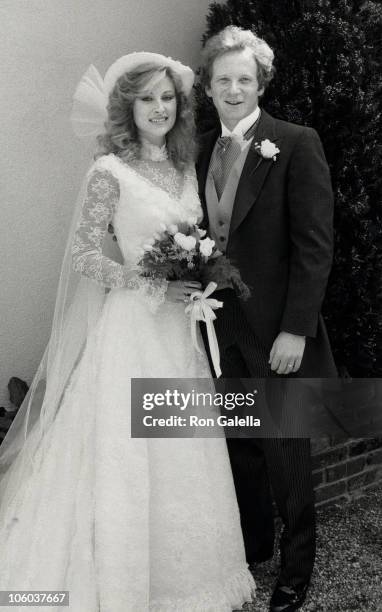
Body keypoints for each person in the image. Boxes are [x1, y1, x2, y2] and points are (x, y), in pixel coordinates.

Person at [0, 53, 255, 611]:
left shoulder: (188, 169)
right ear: (128, 107)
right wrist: (150, 284)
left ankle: (182, 581)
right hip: (133, 332)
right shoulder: (108, 171)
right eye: (147, 98)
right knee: (130, 451)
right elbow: (85, 255)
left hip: (179, 333)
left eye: (168, 97)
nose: (159, 108)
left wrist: (198, 273)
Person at [196, 26, 337, 612]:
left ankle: (296, 569)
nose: (234, 88)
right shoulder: (200, 148)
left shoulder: (295, 142)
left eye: (244, 79)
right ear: (208, 87)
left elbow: (315, 245)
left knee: (285, 449)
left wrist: (296, 328)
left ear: (261, 84)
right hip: (217, 326)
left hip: (277, 328)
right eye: (223, 79)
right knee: (241, 444)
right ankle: (254, 548)